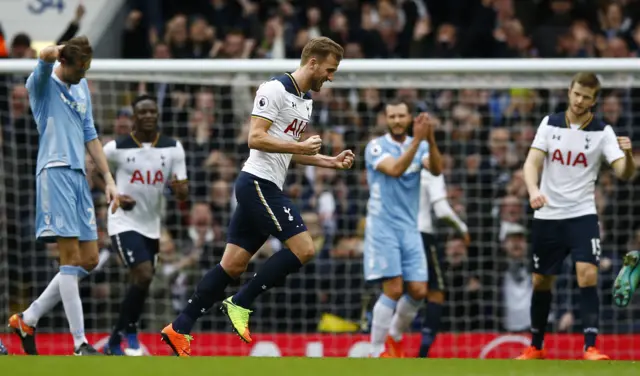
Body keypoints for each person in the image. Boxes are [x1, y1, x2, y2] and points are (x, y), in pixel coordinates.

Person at [160, 37, 354, 357]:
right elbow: (256, 138)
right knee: (304, 249)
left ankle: (179, 326)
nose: (330, 77)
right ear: (313, 63)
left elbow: (289, 151)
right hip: (257, 184)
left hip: (267, 186)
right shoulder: (273, 89)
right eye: (330, 70)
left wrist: (328, 161)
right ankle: (241, 302)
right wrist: (299, 147)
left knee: (232, 265)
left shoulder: (304, 100)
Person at [8, 36, 118, 355]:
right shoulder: (41, 85)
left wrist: (108, 179)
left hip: (79, 178)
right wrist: (57, 51)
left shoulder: (81, 86)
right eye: (80, 67)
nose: (84, 74)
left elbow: (90, 134)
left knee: (90, 259)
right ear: (64, 62)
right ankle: (80, 343)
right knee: (69, 259)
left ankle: (27, 319)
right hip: (54, 172)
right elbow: (43, 58)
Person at [517, 72, 635, 360]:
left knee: (587, 275)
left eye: (586, 97)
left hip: (582, 214)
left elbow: (624, 173)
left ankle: (590, 347)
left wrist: (629, 156)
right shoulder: (550, 123)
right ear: (569, 92)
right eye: (577, 94)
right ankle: (536, 345)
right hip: (547, 215)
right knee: (541, 281)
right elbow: (531, 162)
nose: (580, 100)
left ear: (594, 101)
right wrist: (533, 190)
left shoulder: (602, 131)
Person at [102, 95, 188, 355]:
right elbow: (95, 169)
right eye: (143, 112)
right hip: (122, 221)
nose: (149, 116)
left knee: (142, 282)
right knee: (144, 274)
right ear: (134, 117)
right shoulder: (116, 148)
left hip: (152, 225)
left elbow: (183, 192)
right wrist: (115, 193)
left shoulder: (173, 148)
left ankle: (121, 335)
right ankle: (124, 334)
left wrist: (179, 189)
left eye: (153, 111)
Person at [363, 101, 443, 358]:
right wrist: (418, 142)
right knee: (395, 288)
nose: (397, 120)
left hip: (410, 227)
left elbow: (438, 170)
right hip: (383, 226)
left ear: (409, 118)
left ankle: (395, 335)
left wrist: (429, 140)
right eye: (392, 116)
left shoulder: (419, 146)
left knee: (419, 290)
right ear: (386, 119)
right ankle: (375, 352)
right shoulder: (376, 146)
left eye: (401, 116)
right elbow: (396, 170)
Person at [417, 165, 469, 357]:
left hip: (395, 234)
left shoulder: (394, 167)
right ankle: (423, 351)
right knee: (435, 291)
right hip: (421, 234)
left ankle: (383, 343)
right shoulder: (432, 170)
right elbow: (442, 211)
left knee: (398, 290)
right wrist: (462, 229)